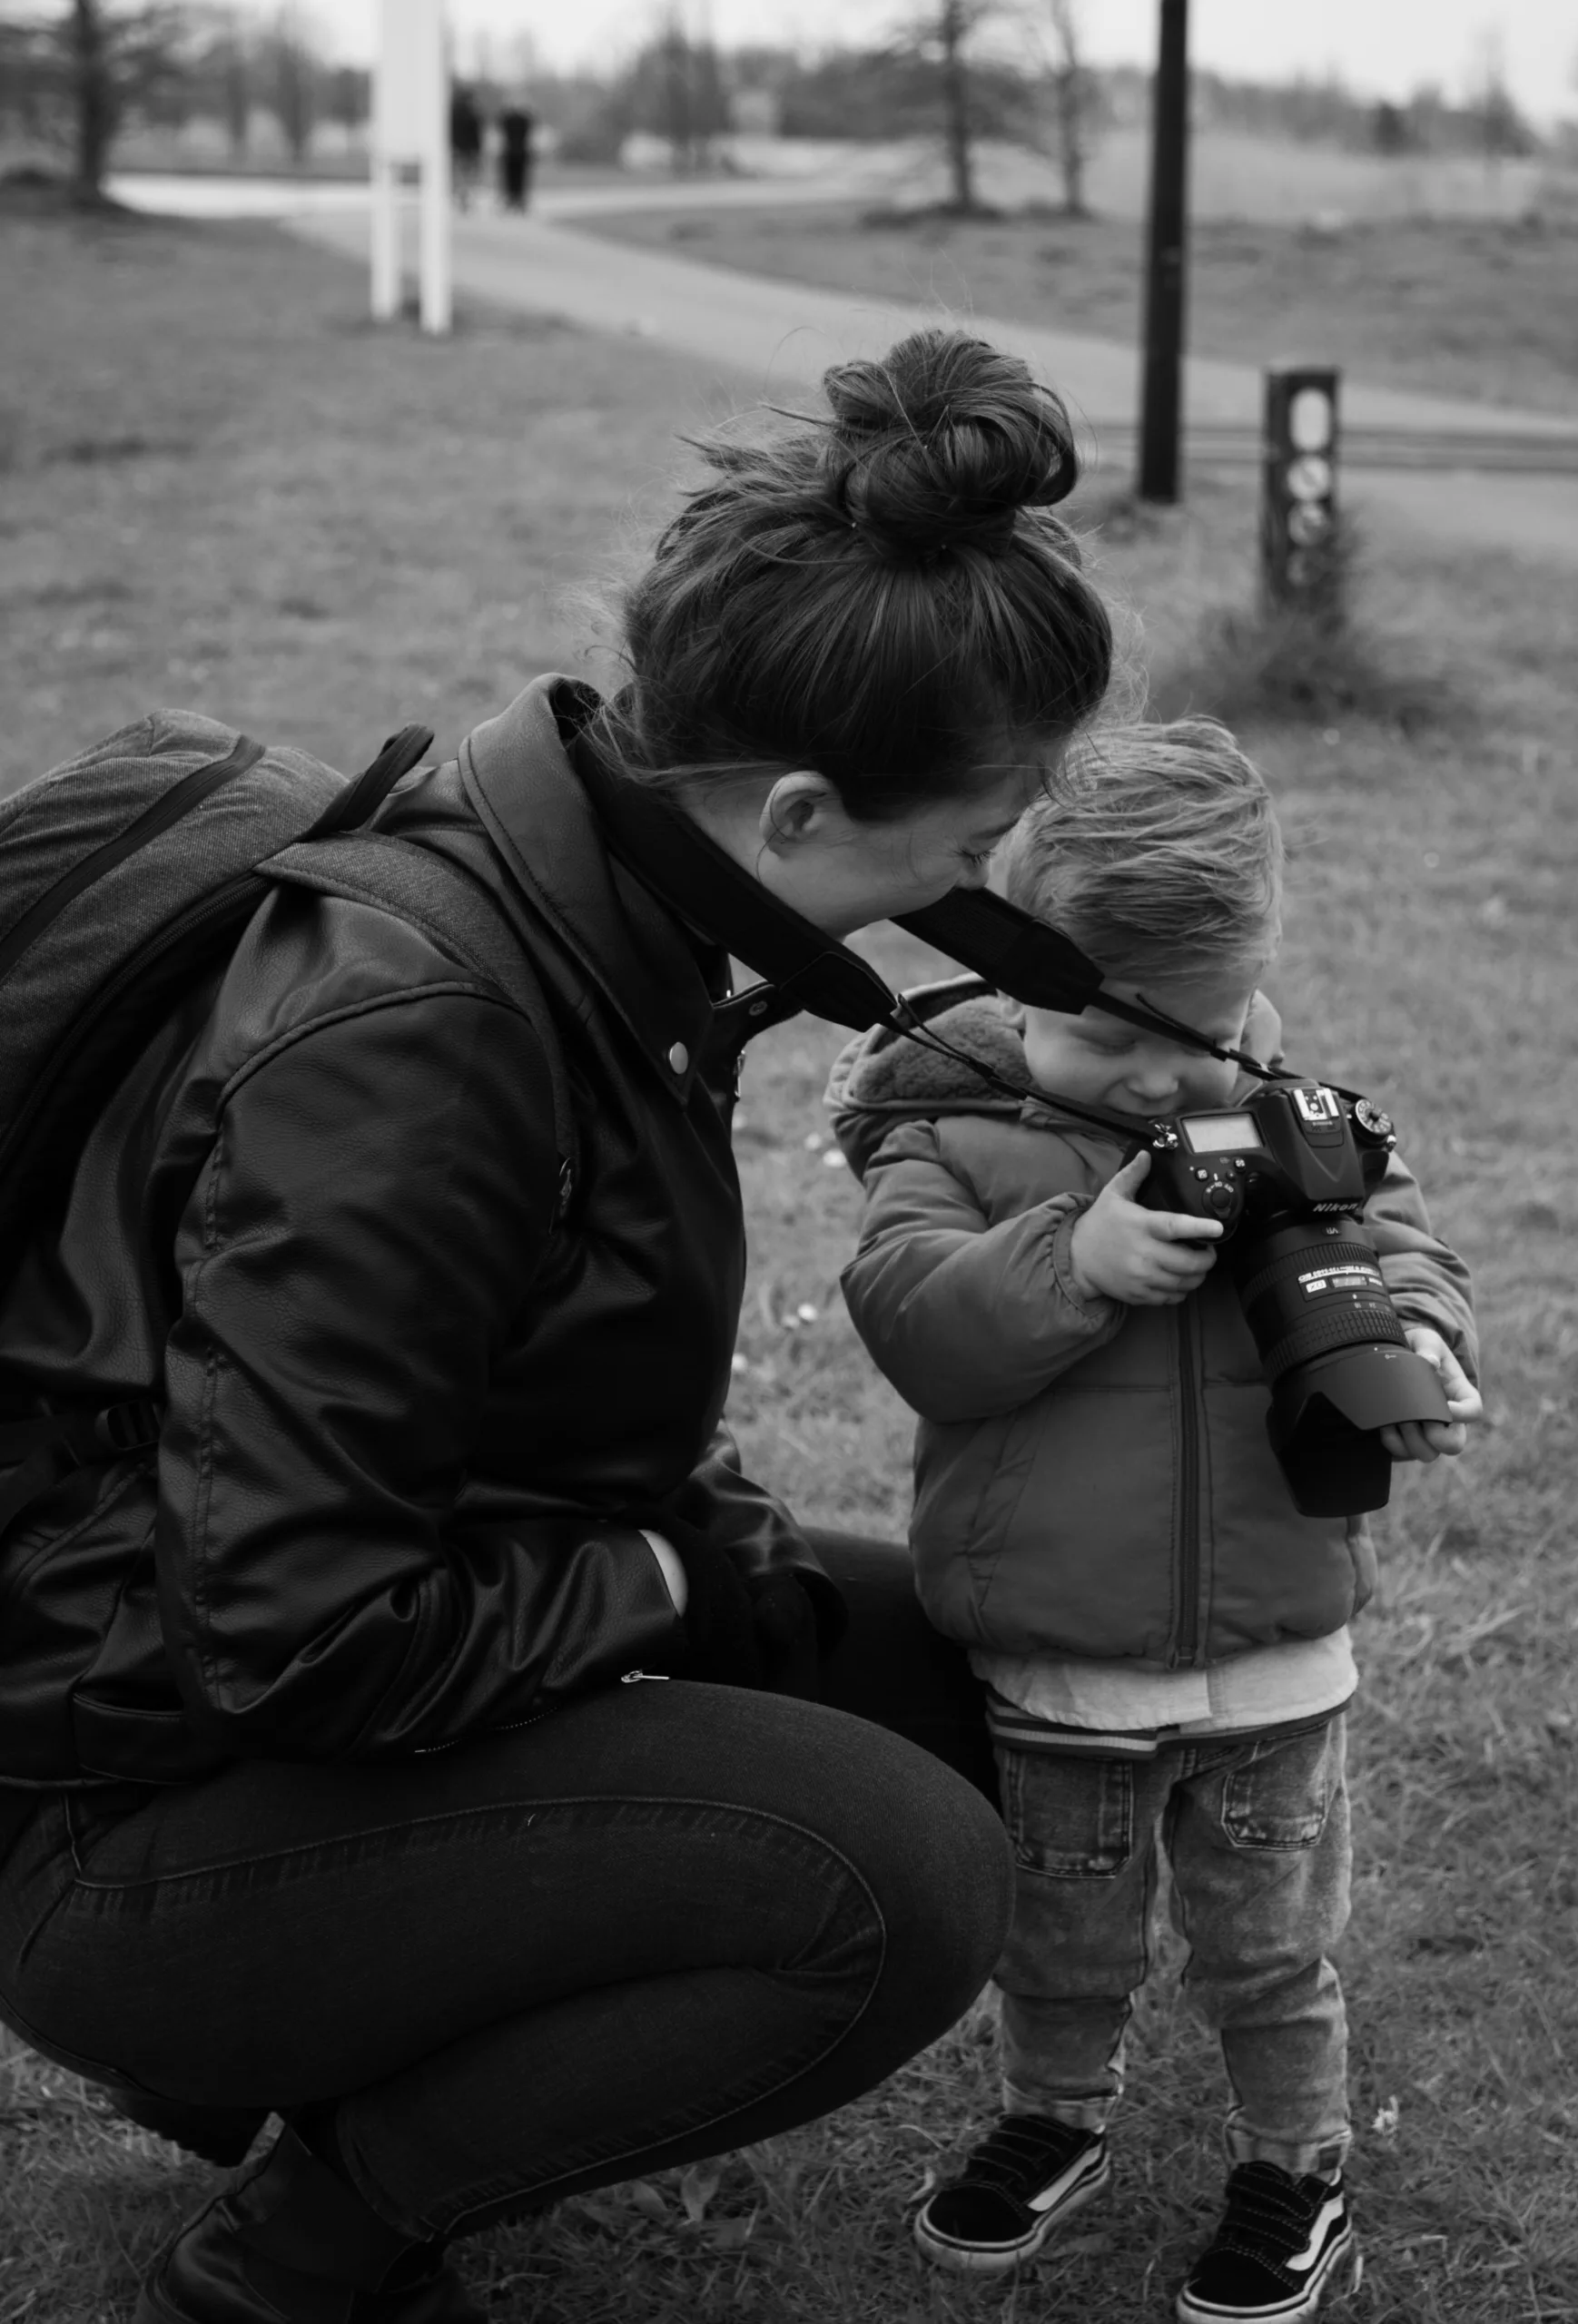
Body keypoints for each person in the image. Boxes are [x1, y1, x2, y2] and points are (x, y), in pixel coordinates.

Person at [0, 329, 1116, 2324]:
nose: (966, 895)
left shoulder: (587, 893)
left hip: (253, 1666)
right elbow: (295, 1631)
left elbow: (514, 1382)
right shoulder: (429, 1037)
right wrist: (665, 1572)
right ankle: (304, 2244)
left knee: (973, 1681)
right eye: (958, 850)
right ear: (788, 812)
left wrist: (725, 1564)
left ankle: (347, 2030)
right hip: (117, 1803)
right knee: (891, 1878)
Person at [829, 723, 1481, 2322]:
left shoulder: (1305, 1130)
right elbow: (915, 1320)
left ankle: (1298, 2167)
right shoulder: (953, 1136)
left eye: (1191, 1033)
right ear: (1013, 977)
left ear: (1252, 980)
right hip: (1061, 1665)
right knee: (1060, 1943)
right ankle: (1052, 2120)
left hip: (1276, 1657)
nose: (1148, 1078)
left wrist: (1423, 1340)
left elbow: (1402, 1253)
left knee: (1268, 1953)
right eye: (1096, 1032)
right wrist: (1077, 1261)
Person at [448, 83, 483, 212]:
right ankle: (464, 199)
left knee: (458, 176)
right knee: (467, 176)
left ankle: (461, 198)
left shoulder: (452, 111)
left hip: (457, 147)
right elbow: (476, 133)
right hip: (468, 149)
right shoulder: (472, 113)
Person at [497, 98, 535, 212]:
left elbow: (500, 123)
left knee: (509, 178)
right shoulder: (525, 119)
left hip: (509, 151)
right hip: (521, 151)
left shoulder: (507, 119)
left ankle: (511, 200)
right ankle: (519, 200)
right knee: (520, 178)